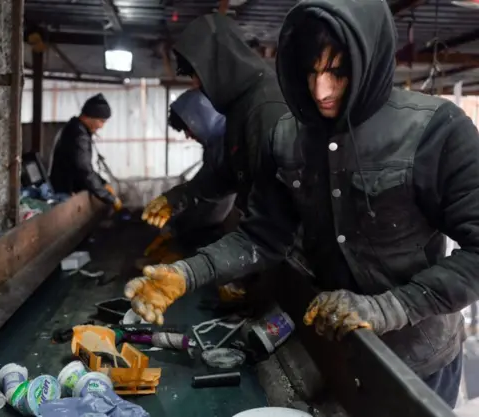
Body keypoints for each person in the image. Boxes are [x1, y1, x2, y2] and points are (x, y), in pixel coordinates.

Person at [124, 0, 479, 408]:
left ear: (372, 59)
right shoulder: (287, 137)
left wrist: (390, 306)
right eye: (311, 71)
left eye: (337, 72)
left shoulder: (437, 130)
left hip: (418, 362)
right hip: (335, 353)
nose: (320, 91)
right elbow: (262, 236)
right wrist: (186, 273)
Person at [142, 13, 288, 227]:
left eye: (197, 75)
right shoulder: (241, 106)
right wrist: (176, 198)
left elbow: (278, 210)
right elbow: (226, 177)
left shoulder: (264, 106)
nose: (197, 84)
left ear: (218, 65)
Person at [142, 89, 236, 264]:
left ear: (202, 118)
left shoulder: (230, 143)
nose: (188, 135)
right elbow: (203, 186)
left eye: (188, 128)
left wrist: (179, 238)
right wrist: (173, 227)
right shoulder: (215, 146)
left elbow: (214, 198)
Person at [49, 93, 121, 210]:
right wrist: (108, 197)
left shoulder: (76, 129)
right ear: (91, 116)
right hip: (65, 192)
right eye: (101, 121)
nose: (101, 126)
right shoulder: (78, 135)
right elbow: (84, 170)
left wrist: (102, 183)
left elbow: (84, 167)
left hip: (66, 188)